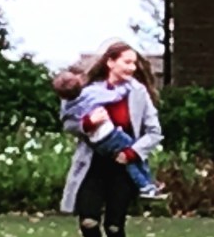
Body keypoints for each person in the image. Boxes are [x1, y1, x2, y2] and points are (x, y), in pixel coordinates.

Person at [59, 42, 163, 237]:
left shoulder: (138, 93)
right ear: (110, 62)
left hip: (123, 165)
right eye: (127, 61)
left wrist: (131, 153)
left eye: (134, 63)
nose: (132, 67)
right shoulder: (89, 91)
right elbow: (68, 122)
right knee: (88, 218)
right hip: (93, 163)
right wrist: (87, 123)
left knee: (115, 224)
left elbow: (154, 132)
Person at [53, 69, 166, 198]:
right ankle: (146, 185)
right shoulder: (91, 94)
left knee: (129, 158)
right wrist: (129, 84)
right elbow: (115, 95)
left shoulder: (68, 105)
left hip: (97, 141)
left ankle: (148, 184)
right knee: (134, 154)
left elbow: (66, 120)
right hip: (110, 135)